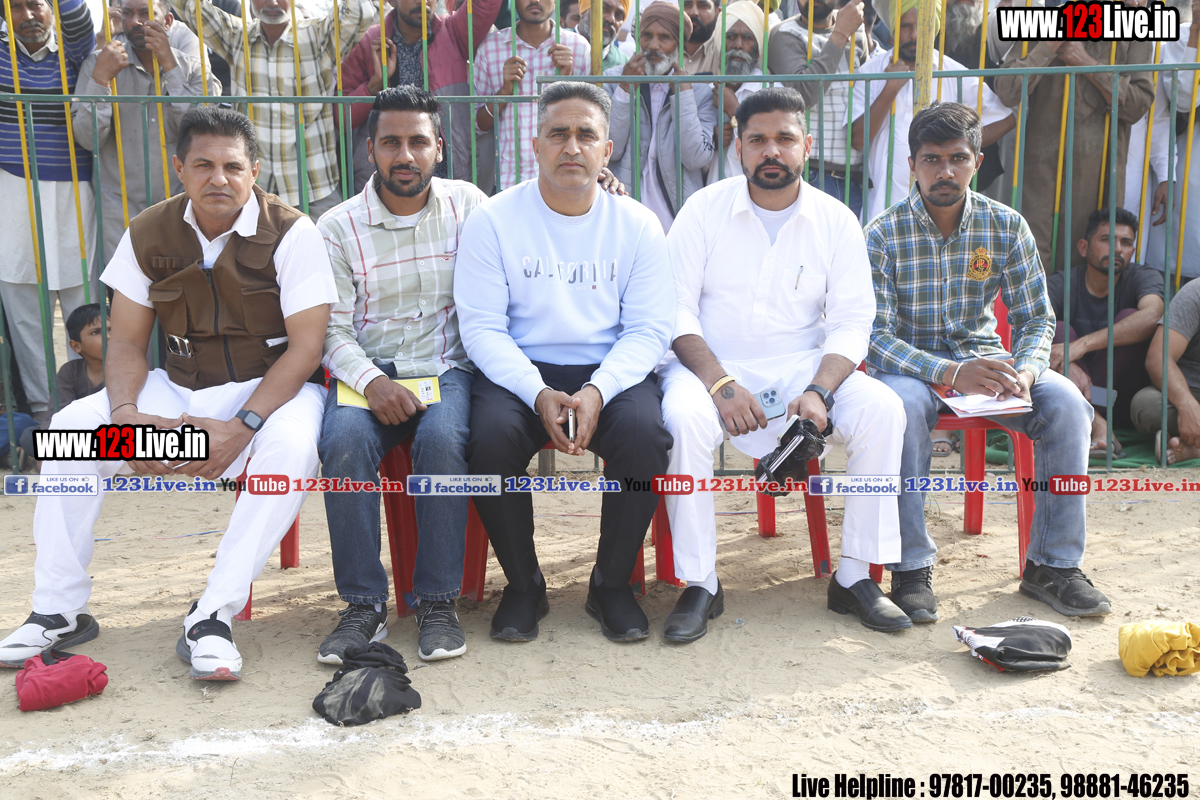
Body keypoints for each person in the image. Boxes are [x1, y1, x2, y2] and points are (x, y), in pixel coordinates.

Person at [0, 107, 338, 679]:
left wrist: (241, 429)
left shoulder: (292, 231)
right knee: (68, 433)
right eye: (203, 165)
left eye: (233, 167)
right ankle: (57, 610)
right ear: (179, 169)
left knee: (290, 453)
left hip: (267, 397)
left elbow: (306, 349)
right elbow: (128, 343)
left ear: (254, 171)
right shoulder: (148, 230)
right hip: (178, 394)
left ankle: (212, 615)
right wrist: (127, 417)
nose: (219, 179)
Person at [661, 87, 911, 640]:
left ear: (807, 145)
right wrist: (721, 384)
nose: (771, 151)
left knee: (883, 409)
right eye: (757, 140)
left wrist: (820, 390)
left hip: (805, 369)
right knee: (682, 421)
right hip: (711, 370)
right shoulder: (702, 210)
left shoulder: (836, 219)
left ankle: (855, 576)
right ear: (738, 146)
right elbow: (674, 309)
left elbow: (852, 321)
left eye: (784, 139)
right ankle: (700, 582)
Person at [867, 102, 1109, 622]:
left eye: (957, 158)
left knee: (1066, 404)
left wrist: (1025, 372)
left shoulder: (1006, 226)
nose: (945, 171)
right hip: (911, 369)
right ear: (912, 165)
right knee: (902, 408)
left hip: (988, 366)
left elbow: (1036, 319)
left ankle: (1053, 566)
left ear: (977, 161)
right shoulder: (883, 235)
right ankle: (910, 568)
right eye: (932, 159)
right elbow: (875, 339)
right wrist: (951, 373)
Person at [454, 81, 674, 643]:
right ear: (535, 144)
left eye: (586, 135)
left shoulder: (638, 224)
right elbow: (482, 328)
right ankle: (525, 585)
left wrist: (599, 389)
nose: (571, 147)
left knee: (645, 437)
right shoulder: (494, 219)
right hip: (520, 371)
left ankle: (610, 584)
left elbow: (649, 329)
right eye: (558, 133)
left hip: (610, 370)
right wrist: (535, 391)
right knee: (490, 439)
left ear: (607, 149)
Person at [317, 87, 486, 665]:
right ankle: (363, 604)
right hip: (368, 374)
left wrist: (603, 185)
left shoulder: (469, 205)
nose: (405, 155)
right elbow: (331, 330)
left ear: (439, 147)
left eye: (418, 141)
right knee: (342, 443)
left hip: (445, 368)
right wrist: (372, 383)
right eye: (391, 142)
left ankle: (437, 603)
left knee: (442, 441)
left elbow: (532, 216)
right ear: (370, 150)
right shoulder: (337, 227)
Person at [169, 0, 376, 220]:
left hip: (314, 188)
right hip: (255, 190)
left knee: (323, 242)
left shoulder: (318, 35)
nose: (273, 2)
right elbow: (188, 6)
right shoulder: (237, 36)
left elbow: (361, 12)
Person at [993, 9, 1154, 271]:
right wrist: (1048, 47)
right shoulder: (1040, 20)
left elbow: (1138, 104)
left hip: (1098, 173)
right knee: (1034, 262)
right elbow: (1007, 89)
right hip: (1040, 172)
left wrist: (1086, 63)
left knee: (1088, 262)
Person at [0, 0, 96, 423]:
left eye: (36, 4)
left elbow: (76, 17)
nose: (28, 16)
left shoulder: (75, 52)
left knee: (84, 302)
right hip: (11, 189)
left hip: (74, 191)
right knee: (24, 306)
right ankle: (44, 413)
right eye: (16, 7)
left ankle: (92, 409)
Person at [74, 0, 220, 265]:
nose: (135, 22)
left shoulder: (193, 68)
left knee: (179, 283)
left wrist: (170, 65)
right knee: (122, 286)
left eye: (145, 13)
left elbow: (203, 134)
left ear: (168, 22)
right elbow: (88, 139)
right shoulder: (99, 64)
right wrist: (101, 80)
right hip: (118, 207)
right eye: (128, 13)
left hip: (180, 204)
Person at [849, 0, 1013, 222]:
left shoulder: (952, 72)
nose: (914, 35)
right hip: (883, 208)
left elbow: (1006, 119)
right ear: (894, 28)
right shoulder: (871, 72)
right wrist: (890, 88)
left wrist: (957, 144)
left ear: (934, 29)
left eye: (923, 26)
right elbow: (858, 140)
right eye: (906, 26)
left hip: (942, 212)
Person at [341, 0, 501, 191]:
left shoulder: (452, 31)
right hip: (388, 177)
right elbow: (341, 115)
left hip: (447, 174)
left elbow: (486, 5)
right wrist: (374, 85)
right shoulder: (371, 40)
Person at [1046, 208, 1165, 457]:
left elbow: (1154, 314)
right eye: (1107, 240)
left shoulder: (1142, 277)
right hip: (1071, 391)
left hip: (1120, 399)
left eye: (1126, 243)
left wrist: (1080, 347)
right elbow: (1031, 324)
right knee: (1057, 329)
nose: (1118, 249)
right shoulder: (1062, 283)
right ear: (1083, 247)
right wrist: (1070, 363)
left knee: (1131, 316)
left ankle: (1094, 419)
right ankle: (1098, 424)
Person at [606, 1, 715, 232]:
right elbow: (610, 150)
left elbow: (695, 158)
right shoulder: (613, 80)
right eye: (647, 36)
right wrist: (625, 89)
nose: (653, 45)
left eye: (664, 37)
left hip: (677, 217)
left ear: (680, 44)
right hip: (624, 209)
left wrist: (684, 96)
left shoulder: (699, 92)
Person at [474, 0, 590, 191]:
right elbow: (478, 125)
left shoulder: (578, 48)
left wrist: (567, 81)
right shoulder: (490, 48)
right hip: (510, 181)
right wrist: (505, 91)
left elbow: (590, 122)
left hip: (564, 179)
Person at [767, 0, 868, 215]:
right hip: (811, 172)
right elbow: (804, 95)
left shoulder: (856, 29)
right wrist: (841, 34)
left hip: (854, 176)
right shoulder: (784, 33)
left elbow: (863, 93)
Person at [705, 1, 778, 185]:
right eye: (730, 36)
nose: (738, 45)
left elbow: (771, 145)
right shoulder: (707, 88)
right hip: (715, 194)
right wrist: (711, 141)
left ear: (758, 49)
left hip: (756, 192)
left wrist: (735, 112)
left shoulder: (770, 90)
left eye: (747, 38)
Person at [1133, 279, 1200, 464]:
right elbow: (1158, 358)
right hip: (1189, 391)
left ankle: (1194, 450)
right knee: (1146, 405)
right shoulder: (1195, 293)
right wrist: (1188, 407)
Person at [577, 0, 630, 72]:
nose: (611, 19)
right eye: (603, 9)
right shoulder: (562, 44)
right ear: (583, 10)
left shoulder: (625, 66)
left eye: (618, 15)